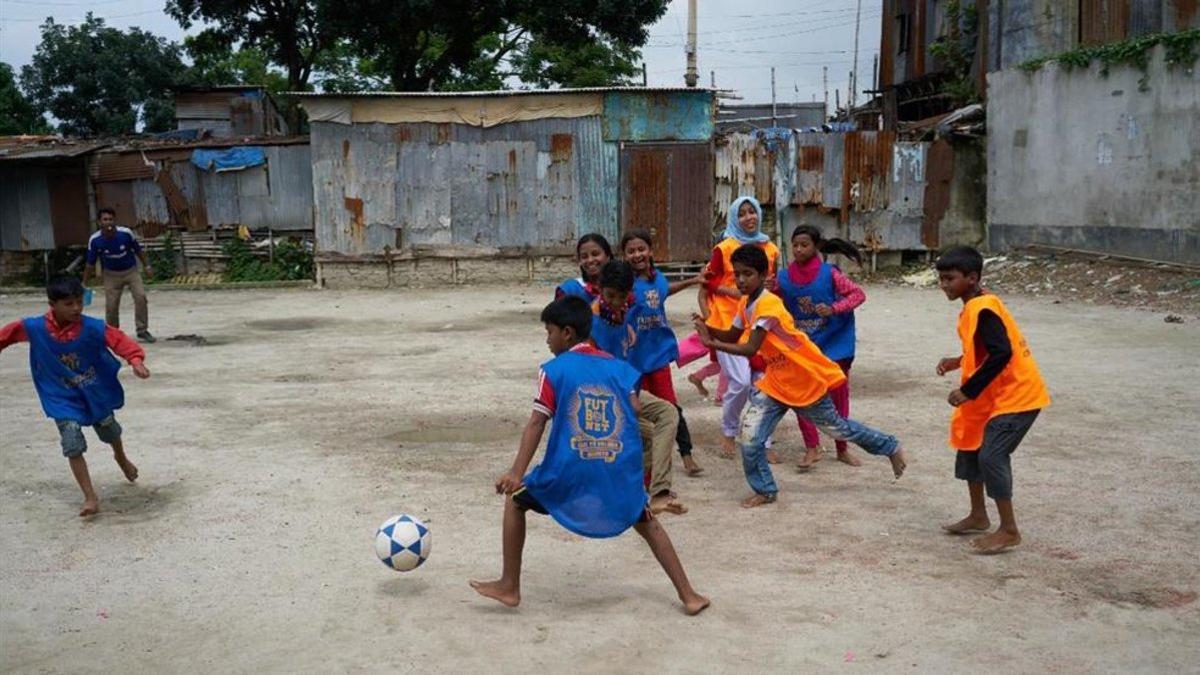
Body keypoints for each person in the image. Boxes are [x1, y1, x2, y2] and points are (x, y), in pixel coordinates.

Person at [469, 296, 709, 615]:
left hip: (570, 474)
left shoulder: (554, 370)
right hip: (615, 473)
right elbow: (635, 409)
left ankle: (509, 586)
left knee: (515, 501)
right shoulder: (621, 370)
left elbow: (536, 422)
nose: (547, 339)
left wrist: (516, 472)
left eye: (549, 331)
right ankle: (689, 595)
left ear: (567, 333)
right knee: (647, 523)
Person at [695, 246, 907, 508]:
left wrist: (709, 341)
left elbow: (749, 348)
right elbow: (731, 335)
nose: (740, 280)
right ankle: (765, 489)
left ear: (763, 275)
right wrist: (708, 329)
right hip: (776, 381)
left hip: (803, 381)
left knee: (838, 428)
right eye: (737, 274)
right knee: (750, 437)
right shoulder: (744, 301)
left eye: (747, 274)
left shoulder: (769, 305)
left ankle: (890, 447)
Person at [0, 276, 150, 516]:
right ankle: (90, 497)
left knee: (108, 427)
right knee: (72, 441)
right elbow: (4, 336)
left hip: (92, 389)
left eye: (79, 302)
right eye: (68, 304)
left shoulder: (92, 327)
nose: (76, 308)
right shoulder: (34, 328)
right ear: (53, 304)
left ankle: (120, 457)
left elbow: (119, 340)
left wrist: (135, 360)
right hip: (60, 395)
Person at [935, 246, 1050, 554]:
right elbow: (986, 348)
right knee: (970, 446)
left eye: (950, 278)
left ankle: (1009, 530)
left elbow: (1002, 353)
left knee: (992, 456)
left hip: (1018, 397)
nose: (944, 285)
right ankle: (978, 515)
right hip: (995, 396)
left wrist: (968, 390)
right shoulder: (976, 304)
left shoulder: (983, 307)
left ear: (972, 278)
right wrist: (958, 361)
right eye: (941, 279)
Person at [590, 260, 689, 513]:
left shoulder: (624, 314)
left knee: (668, 414)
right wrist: (630, 394)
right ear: (600, 290)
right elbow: (595, 369)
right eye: (610, 295)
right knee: (648, 435)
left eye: (621, 297)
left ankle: (657, 491)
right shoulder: (592, 321)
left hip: (627, 391)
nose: (615, 301)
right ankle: (639, 489)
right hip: (608, 396)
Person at [776, 225, 868, 471]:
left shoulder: (830, 274)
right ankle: (811, 447)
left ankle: (842, 448)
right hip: (805, 345)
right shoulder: (783, 278)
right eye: (794, 245)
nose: (798, 249)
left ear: (816, 247)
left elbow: (858, 295)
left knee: (838, 394)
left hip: (834, 342)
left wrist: (834, 309)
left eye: (804, 245)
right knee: (802, 395)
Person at [619, 229, 705, 477]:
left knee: (671, 407)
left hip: (657, 359)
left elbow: (666, 290)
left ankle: (687, 455)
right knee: (637, 413)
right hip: (633, 362)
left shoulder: (657, 279)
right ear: (624, 256)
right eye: (631, 251)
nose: (637, 254)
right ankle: (641, 465)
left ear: (651, 251)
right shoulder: (624, 286)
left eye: (641, 249)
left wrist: (691, 281)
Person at [703, 196, 783, 460]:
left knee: (763, 384)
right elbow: (708, 284)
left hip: (760, 322)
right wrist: (734, 292)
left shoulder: (770, 247)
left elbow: (775, 283)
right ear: (734, 217)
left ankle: (764, 441)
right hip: (728, 322)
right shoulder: (724, 248)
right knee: (738, 381)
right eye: (743, 213)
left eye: (753, 212)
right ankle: (728, 430)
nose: (749, 217)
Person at [81, 208, 156, 343]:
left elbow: (138, 250)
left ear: (114, 220)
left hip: (131, 271)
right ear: (99, 222)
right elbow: (90, 263)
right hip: (111, 275)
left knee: (141, 297)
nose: (108, 222)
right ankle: (113, 333)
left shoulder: (125, 234)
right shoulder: (95, 240)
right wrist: (84, 283)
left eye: (111, 219)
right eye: (105, 220)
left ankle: (142, 330)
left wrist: (147, 266)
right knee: (111, 305)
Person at [555, 233, 613, 303]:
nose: (590, 260)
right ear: (579, 261)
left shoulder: (621, 288)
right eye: (584, 257)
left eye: (595, 254)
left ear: (608, 256)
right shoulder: (569, 291)